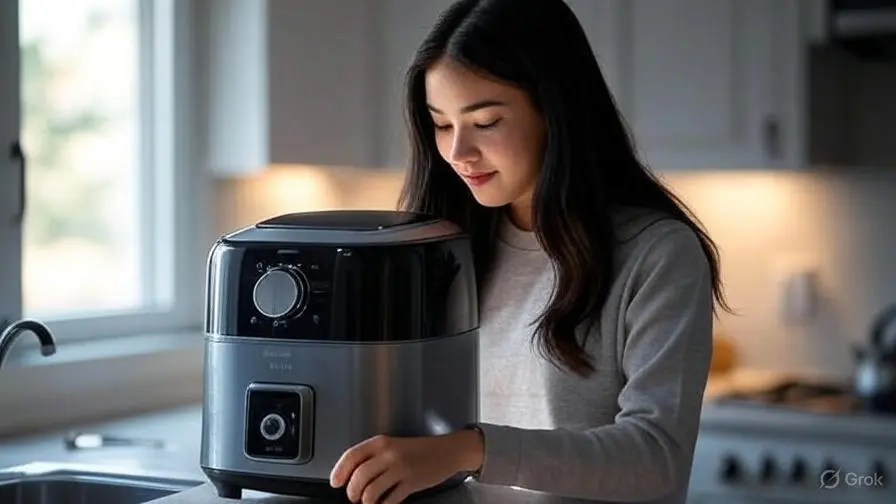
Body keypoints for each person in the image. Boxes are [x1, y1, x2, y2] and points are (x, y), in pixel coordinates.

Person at [329, 0, 730, 503]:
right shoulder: (441, 251)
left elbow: (656, 459)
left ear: (555, 110)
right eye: (442, 124)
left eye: (486, 121)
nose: (457, 153)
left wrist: (467, 450)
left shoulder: (657, 255)